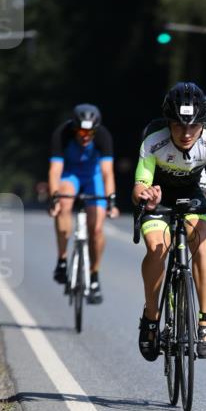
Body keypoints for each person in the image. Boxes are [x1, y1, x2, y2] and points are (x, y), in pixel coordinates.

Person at [131, 82, 206, 359]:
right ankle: (151, 318)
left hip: (194, 191)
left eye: (193, 127)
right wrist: (146, 198)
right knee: (157, 246)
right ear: (168, 122)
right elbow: (138, 187)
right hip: (158, 195)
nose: (186, 133)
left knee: (199, 242)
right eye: (178, 126)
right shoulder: (153, 141)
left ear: (202, 124)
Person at [48, 103, 119, 303]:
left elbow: (107, 172)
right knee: (63, 202)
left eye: (90, 132)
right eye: (81, 131)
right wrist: (54, 197)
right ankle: (62, 260)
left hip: (93, 177)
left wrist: (111, 200)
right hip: (70, 175)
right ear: (73, 128)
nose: (85, 136)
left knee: (96, 229)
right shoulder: (61, 134)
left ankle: (94, 275)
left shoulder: (104, 136)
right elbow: (55, 170)